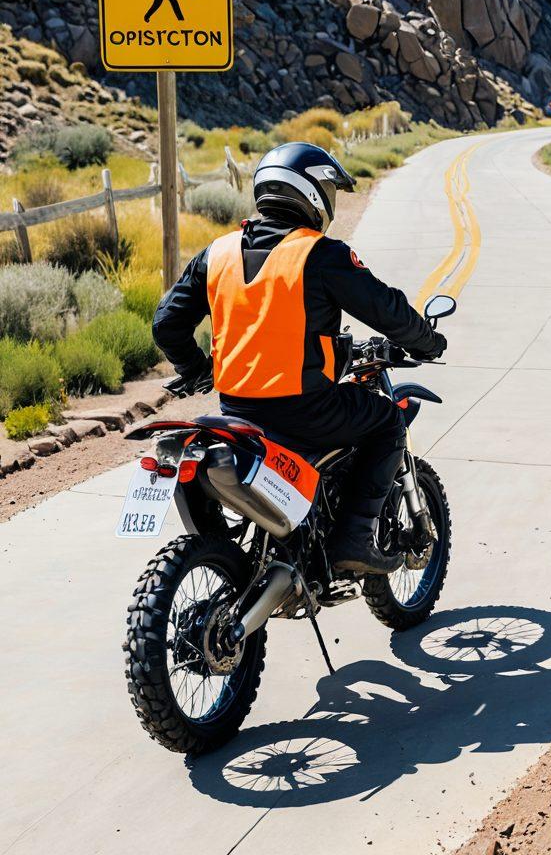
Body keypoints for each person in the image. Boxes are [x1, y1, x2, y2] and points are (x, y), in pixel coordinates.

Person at [152, 141, 447, 575]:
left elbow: (166, 324)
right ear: (311, 193)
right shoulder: (319, 253)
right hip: (308, 412)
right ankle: (354, 540)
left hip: (236, 411)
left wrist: (197, 370)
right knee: (386, 422)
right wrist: (427, 341)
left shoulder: (218, 252)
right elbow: (387, 309)